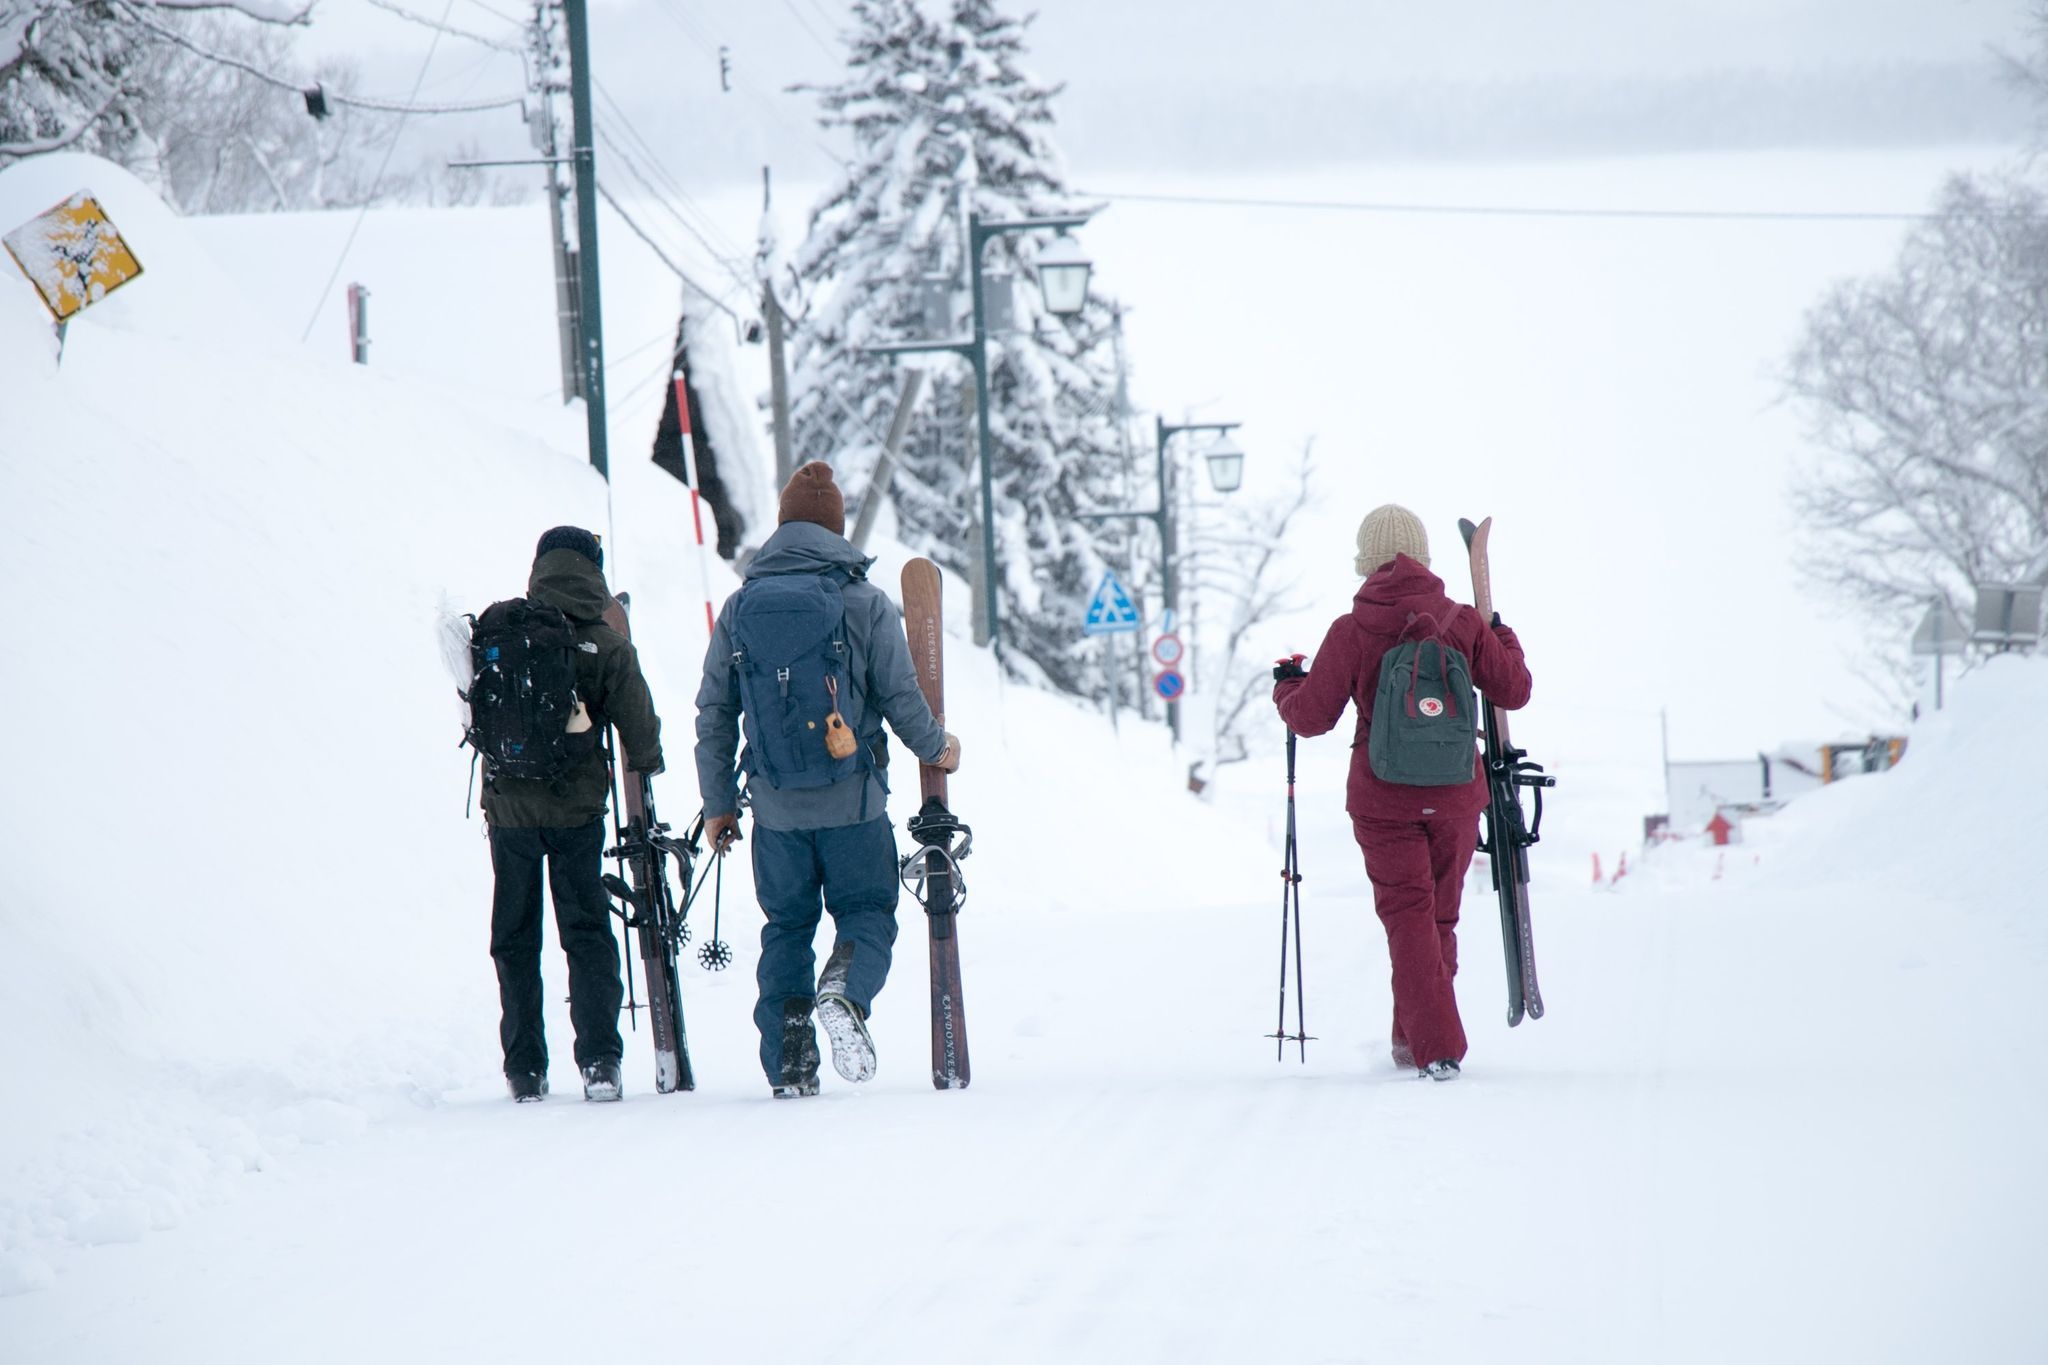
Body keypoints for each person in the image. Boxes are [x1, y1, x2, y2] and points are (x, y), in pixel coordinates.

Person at [694, 462, 960, 1098]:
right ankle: (845, 989)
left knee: (787, 928)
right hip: (854, 805)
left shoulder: (739, 608)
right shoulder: (864, 603)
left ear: (782, 526)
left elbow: (715, 712)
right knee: (867, 911)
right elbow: (900, 697)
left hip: (775, 811)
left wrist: (718, 803)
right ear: (837, 531)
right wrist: (939, 748)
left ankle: (790, 1059)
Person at [1272, 504, 1530, 1081]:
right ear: (1425, 558)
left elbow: (1311, 718)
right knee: (1437, 920)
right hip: (1456, 794)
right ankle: (1412, 1040)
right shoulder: (1462, 622)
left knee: (1408, 918)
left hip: (1383, 801)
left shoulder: (1351, 630)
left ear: (1365, 562)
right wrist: (1500, 634)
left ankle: (1435, 1047)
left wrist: (1287, 689)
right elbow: (1513, 690)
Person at [481, 526, 663, 1103]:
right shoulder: (607, 646)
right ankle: (600, 1062)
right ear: (594, 571)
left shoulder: (499, 634)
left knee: (515, 936)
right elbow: (641, 737)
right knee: (585, 933)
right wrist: (649, 761)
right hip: (576, 813)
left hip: (509, 813)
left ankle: (525, 1069)